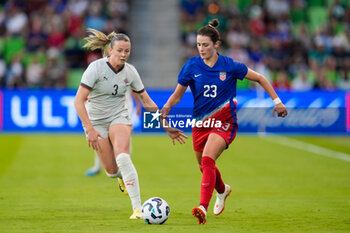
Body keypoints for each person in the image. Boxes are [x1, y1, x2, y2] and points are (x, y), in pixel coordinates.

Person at [161, 19, 288, 224]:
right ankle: (223, 190)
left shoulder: (230, 66)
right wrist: (166, 109)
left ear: (216, 44)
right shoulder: (191, 65)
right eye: (198, 45)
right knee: (204, 167)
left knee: (208, 160)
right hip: (200, 123)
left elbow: (261, 78)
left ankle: (202, 206)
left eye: (206, 45)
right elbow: (177, 95)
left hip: (224, 122)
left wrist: (277, 101)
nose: (201, 49)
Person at [74, 28, 187, 219]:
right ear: (110, 50)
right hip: (96, 122)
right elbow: (78, 101)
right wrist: (90, 129)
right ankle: (121, 178)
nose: (124, 54)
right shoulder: (95, 68)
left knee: (124, 158)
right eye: (120, 50)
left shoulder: (131, 72)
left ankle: (138, 209)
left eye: (127, 51)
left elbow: (147, 101)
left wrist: (165, 125)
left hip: (119, 116)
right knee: (111, 171)